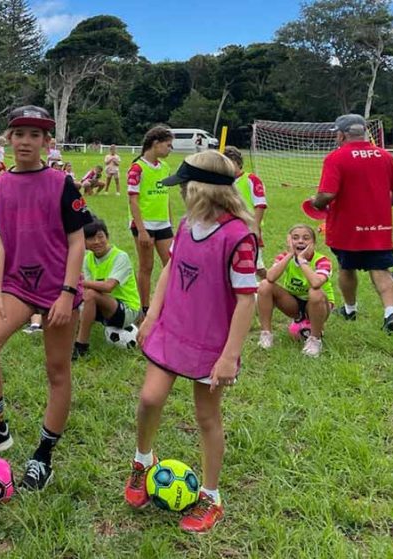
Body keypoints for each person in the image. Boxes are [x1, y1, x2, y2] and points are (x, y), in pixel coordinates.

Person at [124, 150, 257, 534]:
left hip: (211, 343)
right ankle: (142, 461)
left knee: (206, 417)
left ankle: (211, 497)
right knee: (149, 398)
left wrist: (230, 356)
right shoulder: (185, 225)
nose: (180, 193)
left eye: (183, 187)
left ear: (199, 190)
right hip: (173, 330)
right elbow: (169, 271)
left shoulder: (239, 236)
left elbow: (246, 299)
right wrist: (151, 317)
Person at [0, 105, 93, 491]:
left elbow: (77, 241)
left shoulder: (62, 183)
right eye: (19, 134)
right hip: (17, 285)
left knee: (57, 370)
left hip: (58, 287)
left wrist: (69, 293)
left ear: (46, 143)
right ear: (8, 138)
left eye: (35, 135)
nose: (25, 141)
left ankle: (44, 455)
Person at [309, 113, 393, 333]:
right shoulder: (385, 156)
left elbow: (327, 194)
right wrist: (382, 208)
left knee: (347, 267)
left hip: (346, 228)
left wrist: (315, 202)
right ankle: (390, 313)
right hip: (379, 227)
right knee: (381, 268)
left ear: (342, 135)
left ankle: (350, 309)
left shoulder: (336, 158)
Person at [257, 224, 335, 357]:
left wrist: (302, 261)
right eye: (295, 238)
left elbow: (316, 283)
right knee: (265, 285)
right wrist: (290, 254)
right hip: (294, 303)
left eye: (306, 238)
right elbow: (270, 277)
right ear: (289, 241)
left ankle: (315, 340)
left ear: (314, 243)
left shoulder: (322, 260)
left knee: (314, 292)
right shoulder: (285, 257)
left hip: (319, 304)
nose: (300, 241)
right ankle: (266, 334)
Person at [73, 219, 140, 359]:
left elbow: (108, 286)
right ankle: (65, 337)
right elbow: (86, 288)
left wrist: (79, 281)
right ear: (84, 242)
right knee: (73, 296)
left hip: (127, 311)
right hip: (104, 306)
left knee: (90, 294)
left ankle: (81, 346)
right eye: (91, 238)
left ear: (107, 237)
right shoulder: (88, 259)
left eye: (100, 236)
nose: (97, 241)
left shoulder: (120, 256)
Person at [128, 126, 175, 318]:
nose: (170, 150)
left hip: (163, 224)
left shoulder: (165, 167)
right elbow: (133, 200)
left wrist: (170, 221)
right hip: (145, 225)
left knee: (171, 264)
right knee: (146, 266)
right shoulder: (137, 168)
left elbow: (166, 197)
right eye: (168, 145)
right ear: (155, 144)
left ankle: (169, 303)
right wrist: (142, 230)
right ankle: (145, 309)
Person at [223, 146, 267, 277]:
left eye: (231, 163)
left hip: (248, 228)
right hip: (230, 228)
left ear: (238, 162)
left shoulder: (251, 179)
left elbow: (260, 204)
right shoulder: (223, 183)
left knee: (256, 266)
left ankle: (271, 288)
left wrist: (255, 227)